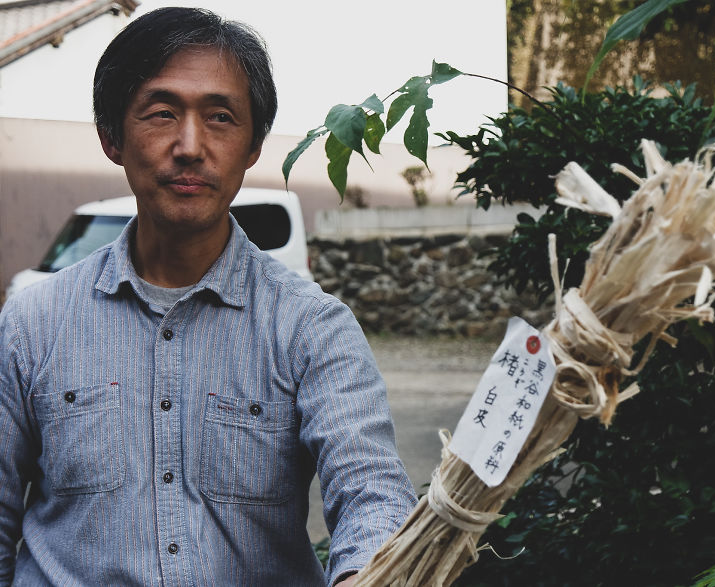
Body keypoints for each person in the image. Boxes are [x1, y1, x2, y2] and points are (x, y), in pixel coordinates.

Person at [0, 7, 416, 586]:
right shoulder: (32, 322)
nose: (190, 145)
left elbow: (372, 489)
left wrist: (368, 574)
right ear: (111, 136)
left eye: (220, 117)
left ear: (253, 146)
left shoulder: (311, 327)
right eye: (162, 112)